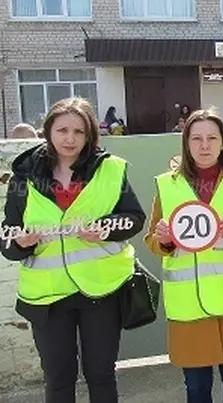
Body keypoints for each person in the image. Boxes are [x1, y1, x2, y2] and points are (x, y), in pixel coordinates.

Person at [0, 97, 146, 403]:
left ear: (89, 135)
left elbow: (134, 219)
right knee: (58, 379)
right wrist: (19, 242)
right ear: (48, 131)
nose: (70, 139)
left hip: (101, 291)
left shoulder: (109, 170)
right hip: (47, 297)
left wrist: (106, 228)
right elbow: (7, 240)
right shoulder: (23, 179)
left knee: (101, 374)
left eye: (79, 132)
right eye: (62, 130)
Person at [144, 109, 223, 403]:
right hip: (190, 305)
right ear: (186, 144)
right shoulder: (166, 184)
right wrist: (165, 241)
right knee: (196, 388)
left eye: (212, 138)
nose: (204, 145)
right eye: (196, 138)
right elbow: (152, 239)